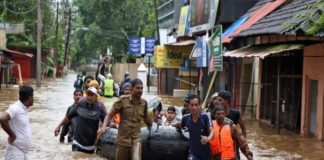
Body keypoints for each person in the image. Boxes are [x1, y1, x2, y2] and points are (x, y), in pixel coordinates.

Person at [98, 78, 152, 160]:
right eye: (137, 88)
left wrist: (153, 125)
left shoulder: (144, 103)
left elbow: (146, 118)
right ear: (132, 89)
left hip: (136, 140)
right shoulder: (122, 100)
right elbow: (109, 115)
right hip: (123, 141)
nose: (140, 90)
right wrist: (103, 127)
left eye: (141, 88)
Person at [54, 87, 106, 154]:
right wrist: (59, 126)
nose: (89, 97)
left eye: (91, 95)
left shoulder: (100, 108)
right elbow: (68, 117)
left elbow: (106, 122)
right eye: (88, 95)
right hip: (77, 142)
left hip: (90, 146)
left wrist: (103, 130)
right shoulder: (80, 105)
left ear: (96, 97)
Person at [0, 85, 34, 159]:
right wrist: (12, 135)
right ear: (29, 98)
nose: (33, 99)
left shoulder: (23, 109)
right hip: (14, 152)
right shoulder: (16, 108)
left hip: (22, 152)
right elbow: (2, 119)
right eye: (33, 96)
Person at [178, 94, 214, 160]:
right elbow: (181, 126)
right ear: (188, 106)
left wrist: (208, 138)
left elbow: (212, 131)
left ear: (199, 105)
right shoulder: (185, 118)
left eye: (196, 105)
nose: (194, 107)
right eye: (192, 105)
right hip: (192, 153)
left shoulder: (205, 117)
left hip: (205, 154)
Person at [216, 90, 247, 160]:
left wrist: (241, 142)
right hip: (220, 148)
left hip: (233, 147)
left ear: (226, 101)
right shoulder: (215, 114)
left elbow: (243, 128)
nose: (218, 102)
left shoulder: (235, 113)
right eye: (217, 100)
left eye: (220, 100)